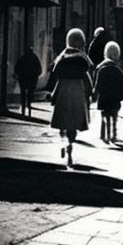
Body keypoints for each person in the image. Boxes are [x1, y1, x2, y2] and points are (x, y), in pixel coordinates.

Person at [47, 29, 94, 169]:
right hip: (78, 91)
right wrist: (90, 92)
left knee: (63, 119)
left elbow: (54, 75)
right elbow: (87, 78)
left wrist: (50, 92)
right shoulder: (83, 57)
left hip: (63, 89)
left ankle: (64, 142)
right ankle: (70, 147)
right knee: (74, 122)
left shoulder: (62, 57)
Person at [93, 41, 123, 144]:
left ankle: (104, 135)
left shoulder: (100, 69)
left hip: (103, 100)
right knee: (114, 118)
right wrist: (120, 97)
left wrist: (95, 95)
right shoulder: (119, 71)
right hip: (114, 100)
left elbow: (97, 85)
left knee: (105, 117)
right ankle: (113, 135)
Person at [14, 46, 42, 117]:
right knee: (30, 94)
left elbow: (17, 68)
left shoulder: (22, 58)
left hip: (23, 79)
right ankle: (29, 107)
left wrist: (18, 75)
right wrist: (35, 76)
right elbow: (39, 70)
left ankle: (23, 108)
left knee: (23, 93)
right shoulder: (35, 58)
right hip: (32, 79)